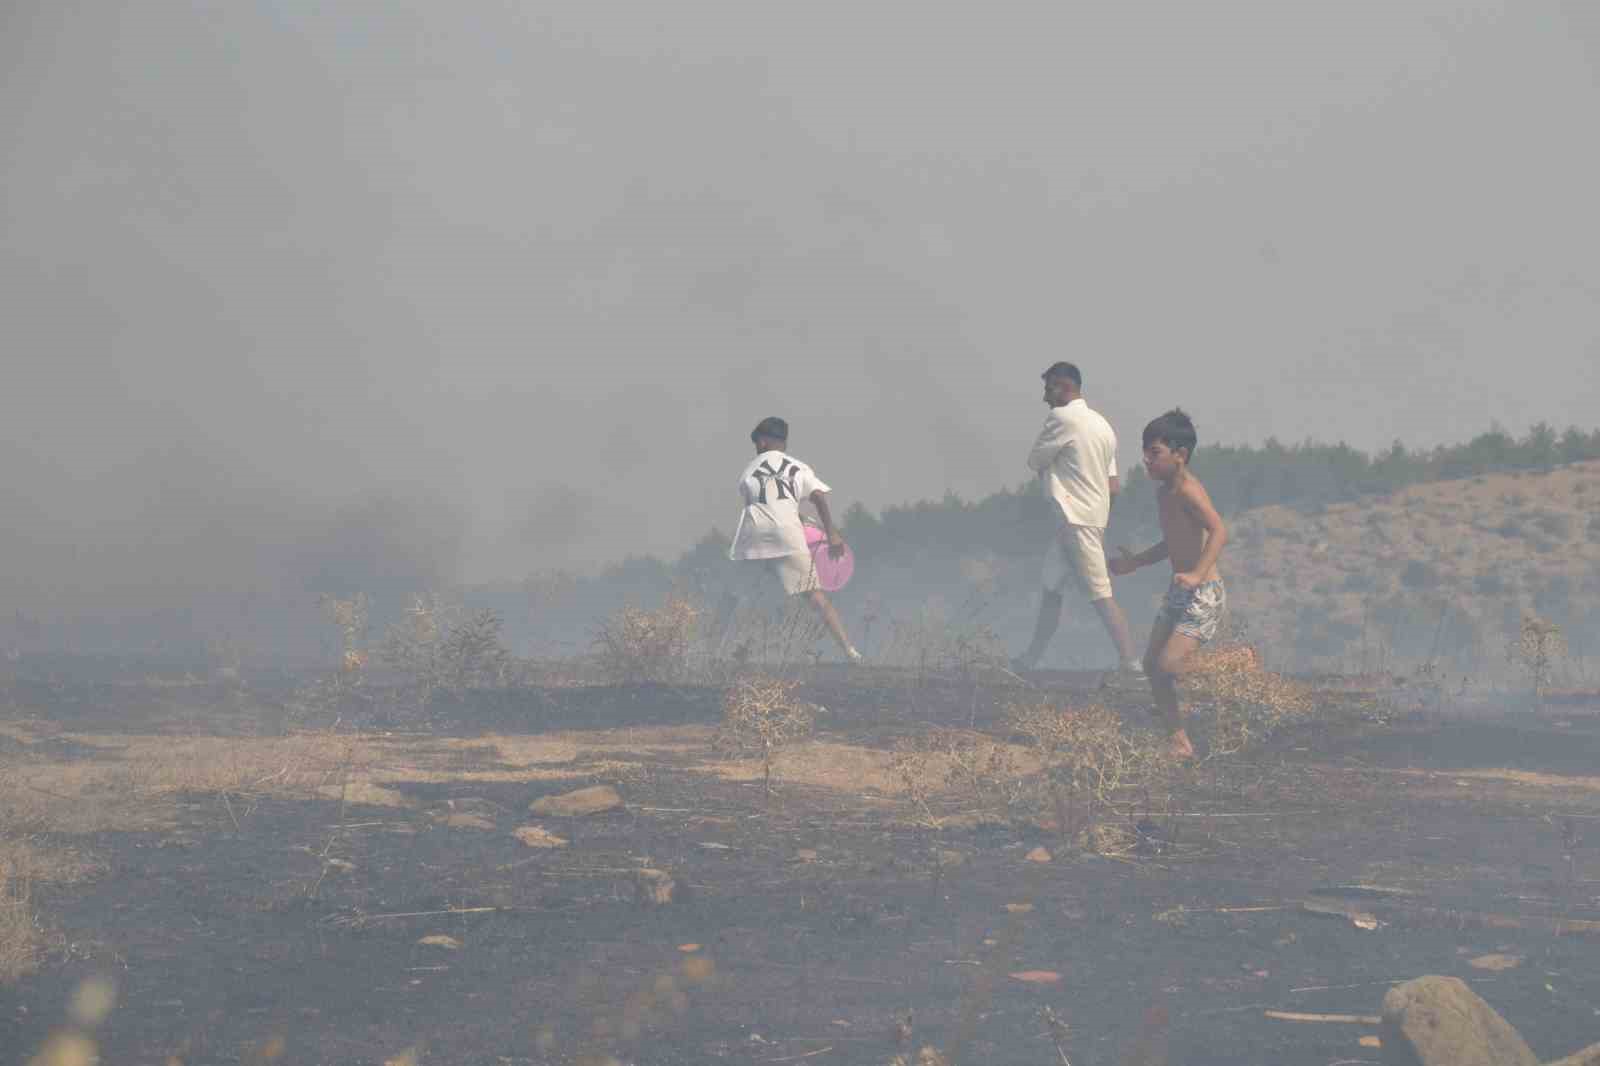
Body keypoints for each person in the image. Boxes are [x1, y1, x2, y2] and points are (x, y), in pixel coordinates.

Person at [1109, 409, 1229, 760]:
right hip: (1180, 590)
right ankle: (1179, 741)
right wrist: (1135, 563)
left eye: (1155, 452)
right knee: (1151, 667)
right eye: (1145, 451)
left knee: (1170, 666)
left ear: (1181, 454)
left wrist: (1197, 574)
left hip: (1203, 592)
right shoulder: (1165, 493)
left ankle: (1233, 666)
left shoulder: (1189, 490)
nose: (1146, 459)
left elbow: (1219, 531)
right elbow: (1172, 543)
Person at [1013, 362, 1141, 675]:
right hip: (1084, 521)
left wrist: (1082, 517)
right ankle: (1030, 660)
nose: (1045, 397)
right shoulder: (1103, 426)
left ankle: (1132, 665)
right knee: (1051, 588)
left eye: (1048, 389)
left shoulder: (1061, 418)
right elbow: (1113, 488)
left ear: (1064, 387)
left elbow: (1035, 461)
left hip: (1074, 521)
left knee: (1100, 594)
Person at [729, 416, 863, 662]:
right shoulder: (798, 467)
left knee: (744, 595)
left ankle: (738, 651)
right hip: (788, 536)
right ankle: (850, 651)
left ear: (762, 442)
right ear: (784, 443)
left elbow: (760, 505)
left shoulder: (748, 471)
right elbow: (819, 498)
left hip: (754, 537)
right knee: (815, 596)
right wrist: (831, 534)